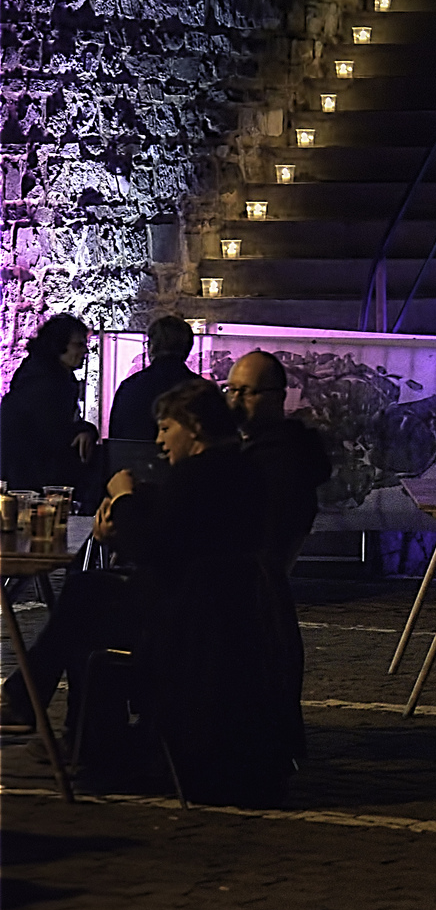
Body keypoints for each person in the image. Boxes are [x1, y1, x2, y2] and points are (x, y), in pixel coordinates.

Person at [4, 380, 299, 805]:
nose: (159, 440)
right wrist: (131, 508)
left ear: (193, 427)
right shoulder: (235, 469)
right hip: (208, 611)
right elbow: (177, 525)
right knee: (86, 595)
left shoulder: (200, 474)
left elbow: (154, 546)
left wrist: (122, 499)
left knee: (84, 607)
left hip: (187, 619)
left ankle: (51, 719)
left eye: (165, 428)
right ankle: (68, 731)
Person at [226, 351, 334, 571]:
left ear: (278, 397)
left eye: (246, 392)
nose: (235, 401)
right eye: (231, 390)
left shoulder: (282, 460)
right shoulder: (250, 448)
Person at [1, 313, 98, 490]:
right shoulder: (44, 385)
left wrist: (85, 430)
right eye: (78, 345)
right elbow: (55, 434)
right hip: (31, 479)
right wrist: (86, 430)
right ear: (58, 345)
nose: (85, 351)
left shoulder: (49, 378)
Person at [107, 316, 201, 444]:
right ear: (188, 347)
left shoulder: (130, 387)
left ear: (152, 347)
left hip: (136, 461)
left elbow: (117, 439)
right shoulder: (201, 390)